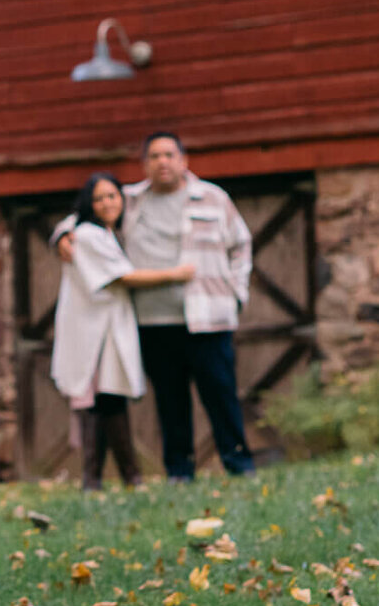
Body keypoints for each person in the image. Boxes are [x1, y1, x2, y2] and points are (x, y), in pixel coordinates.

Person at [56, 132, 255, 480]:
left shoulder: (212, 198)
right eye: (155, 156)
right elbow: (82, 216)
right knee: (171, 402)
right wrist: (60, 235)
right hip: (154, 321)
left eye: (169, 155)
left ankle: (239, 465)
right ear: (145, 164)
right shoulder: (130, 200)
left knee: (221, 397)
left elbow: (242, 246)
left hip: (208, 318)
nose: (163, 162)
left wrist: (237, 292)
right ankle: (180, 472)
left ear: (183, 160)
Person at [50, 172, 195, 490]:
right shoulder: (87, 234)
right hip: (93, 329)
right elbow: (121, 277)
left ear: (122, 199)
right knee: (100, 401)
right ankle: (112, 478)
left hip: (110, 326)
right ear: (89, 203)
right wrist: (174, 274)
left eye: (112, 196)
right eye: (98, 198)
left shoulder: (107, 233)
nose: (106, 203)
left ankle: (109, 479)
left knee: (108, 400)